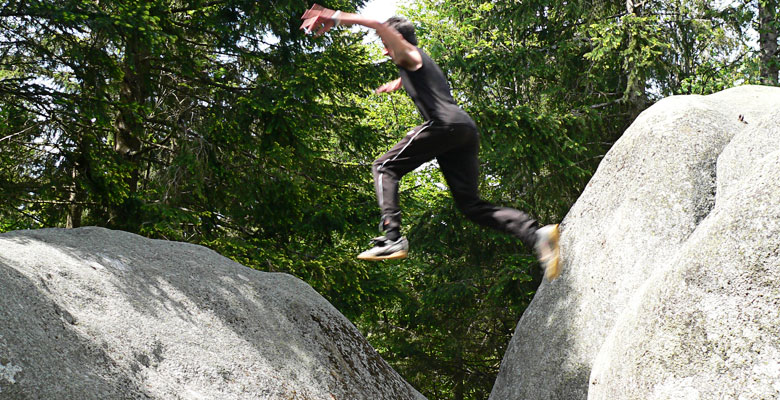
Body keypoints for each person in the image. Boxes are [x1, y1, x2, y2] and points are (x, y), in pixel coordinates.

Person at [300, 5, 561, 280]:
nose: (384, 51)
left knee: (383, 166)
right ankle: (536, 235)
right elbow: (420, 79)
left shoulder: (406, 53)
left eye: (386, 46)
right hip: (463, 132)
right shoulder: (418, 62)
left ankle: (393, 238)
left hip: (445, 125)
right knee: (470, 205)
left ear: (396, 41)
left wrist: (336, 17)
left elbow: (378, 25)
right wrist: (396, 84)